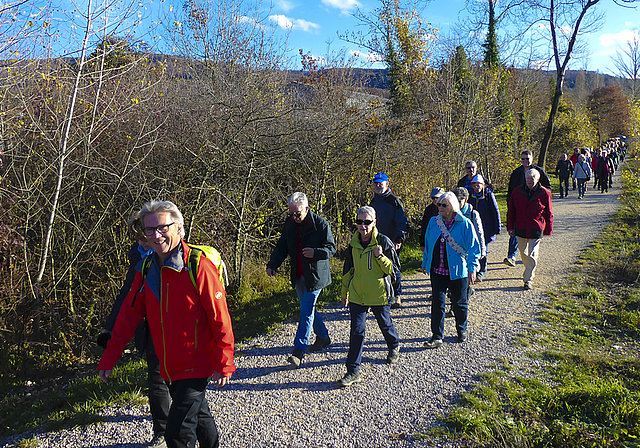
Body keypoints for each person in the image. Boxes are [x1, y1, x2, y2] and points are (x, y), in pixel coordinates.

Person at [98, 200, 235, 448]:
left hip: (196, 363)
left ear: (179, 228)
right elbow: (129, 314)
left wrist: (224, 359)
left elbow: (219, 316)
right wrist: (110, 355)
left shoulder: (197, 266)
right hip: (168, 364)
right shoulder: (148, 267)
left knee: (177, 434)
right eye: (150, 230)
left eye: (163, 227)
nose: (156, 235)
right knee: (200, 418)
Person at [97, 213, 170, 448]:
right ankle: (163, 431)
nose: (141, 243)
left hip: (180, 331)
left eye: (144, 237)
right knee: (157, 380)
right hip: (150, 330)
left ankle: (193, 427)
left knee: (184, 385)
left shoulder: (181, 257)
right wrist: (110, 329)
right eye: (139, 238)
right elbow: (126, 298)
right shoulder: (140, 261)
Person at [266, 192, 336, 367]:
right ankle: (323, 337)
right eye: (291, 213)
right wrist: (273, 264)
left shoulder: (320, 224)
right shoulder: (290, 224)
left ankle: (299, 351)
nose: (294, 217)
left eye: (297, 213)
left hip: (315, 276)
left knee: (306, 310)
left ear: (306, 208)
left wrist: (315, 252)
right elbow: (282, 245)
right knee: (308, 309)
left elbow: (331, 248)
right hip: (298, 275)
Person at [338, 206, 401, 387]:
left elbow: (393, 271)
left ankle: (394, 345)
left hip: (379, 294)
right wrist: (344, 293)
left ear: (374, 223)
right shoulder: (353, 244)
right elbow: (348, 271)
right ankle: (353, 371)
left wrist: (380, 257)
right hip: (358, 294)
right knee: (356, 332)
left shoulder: (383, 242)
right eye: (359, 222)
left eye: (367, 222)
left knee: (385, 323)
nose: (363, 226)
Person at [421, 192, 481, 349]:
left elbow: (474, 249)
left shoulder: (465, 224)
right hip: (437, 271)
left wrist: (472, 268)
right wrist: (425, 262)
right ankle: (437, 336)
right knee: (437, 303)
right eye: (439, 204)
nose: (440, 207)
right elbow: (428, 244)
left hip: (458, 271)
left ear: (453, 206)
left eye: (444, 205)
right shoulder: (433, 222)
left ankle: (461, 329)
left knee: (459, 303)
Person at [506, 169, 554, 290]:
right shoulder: (517, 191)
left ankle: (528, 279)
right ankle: (529, 269)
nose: (529, 180)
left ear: (537, 179)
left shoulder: (544, 193)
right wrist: (510, 227)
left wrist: (548, 229)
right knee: (523, 253)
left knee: (532, 254)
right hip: (521, 228)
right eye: (528, 178)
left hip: (536, 228)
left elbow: (549, 212)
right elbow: (511, 211)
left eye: (532, 178)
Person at [503, 150, 550, 268]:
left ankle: (529, 260)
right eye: (523, 159)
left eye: (527, 158)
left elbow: (547, 187)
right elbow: (511, 190)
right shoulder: (517, 172)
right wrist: (510, 204)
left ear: (532, 159)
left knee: (531, 239)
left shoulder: (538, 172)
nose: (525, 161)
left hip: (533, 208)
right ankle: (512, 256)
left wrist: (540, 198)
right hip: (518, 206)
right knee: (514, 231)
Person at [369, 172, 409, 302]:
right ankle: (379, 294)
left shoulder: (394, 201)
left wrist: (398, 239)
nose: (378, 185)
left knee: (393, 268)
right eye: (376, 183)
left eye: (380, 183)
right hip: (376, 240)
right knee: (376, 268)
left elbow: (402, 222)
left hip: (392, 241)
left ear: (387, 184)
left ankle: (396, 295)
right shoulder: (373, 201)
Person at [467, 175, 501, 281]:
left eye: (478, 185)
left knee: (483, 248)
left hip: (486, 226)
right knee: (473, 247)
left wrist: (497, 228)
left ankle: (482, 270)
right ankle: (474, 268)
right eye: (474, 185)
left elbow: (495, 211)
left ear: (483, 185)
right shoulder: (470, 196)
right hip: (473, 226)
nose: (477, 187)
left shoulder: (488, 195)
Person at [419, 187, 445, 252]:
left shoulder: (448, 208)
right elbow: (424, 226)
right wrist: (422, 243)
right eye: (433, 198)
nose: (435, 200)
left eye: (437, 197)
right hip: (432, 238)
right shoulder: (428, 210)